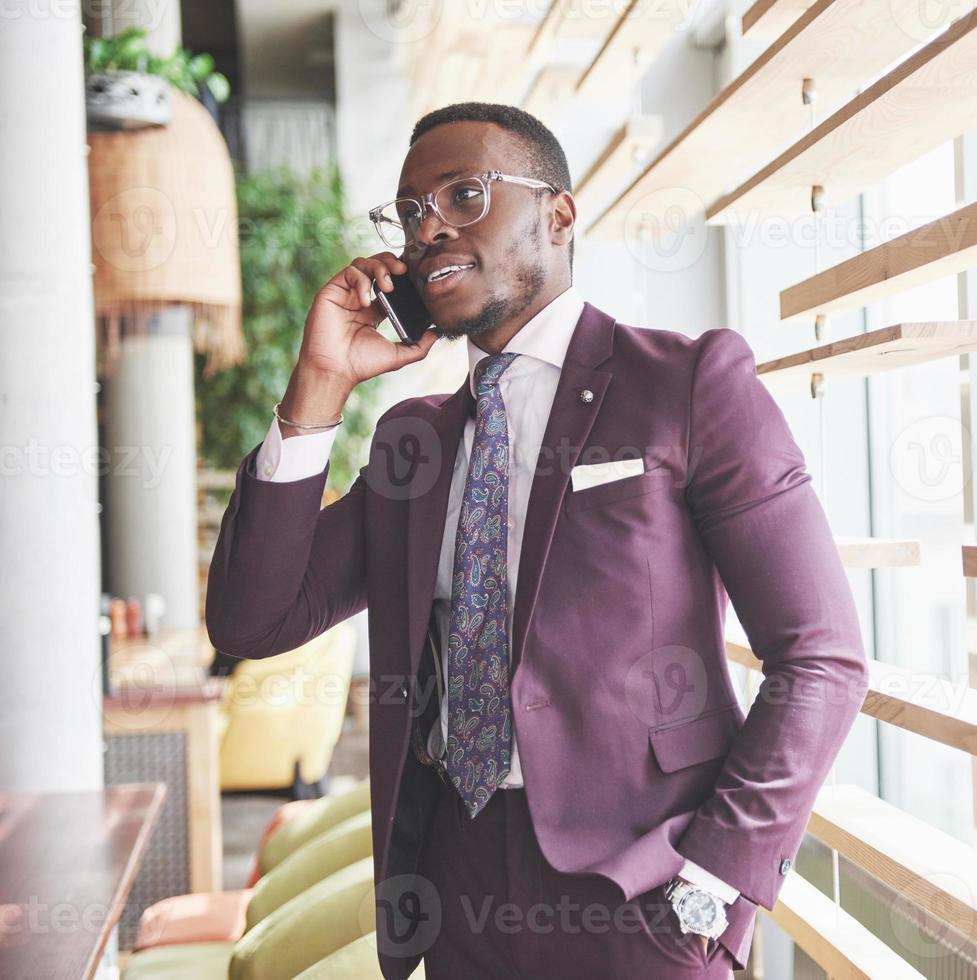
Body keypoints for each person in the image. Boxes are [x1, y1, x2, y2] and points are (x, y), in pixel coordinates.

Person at [205, 102, 867, 979]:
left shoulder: (688, 384)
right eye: (409, 211)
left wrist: (712, 881)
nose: (429, 225)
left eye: (464, 194)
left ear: (557, 214)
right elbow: (253, 620)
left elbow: (820, 658)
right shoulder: (416, 440)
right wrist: (319, 384)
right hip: (456, 885)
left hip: (641, 895)